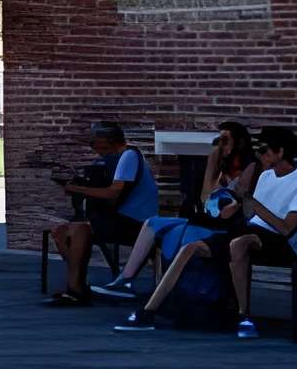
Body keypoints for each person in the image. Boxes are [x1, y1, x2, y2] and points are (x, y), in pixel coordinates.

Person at [113, 125, 297, 340]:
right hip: (251, 231)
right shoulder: (267, 177)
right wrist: (234, 205)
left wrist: (250, 201)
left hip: (282, 242)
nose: (259, 154)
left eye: (265, 150)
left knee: (238, 243)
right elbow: (250, 213)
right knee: (190, 248)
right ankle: (149, 311)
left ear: (281, 152)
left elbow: (286, 228)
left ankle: (244, 316)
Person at [94, 122, 257, 300]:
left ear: (239, 143)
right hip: (208, 219)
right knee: (152, 223)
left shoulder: (251, 166)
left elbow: (238, 197)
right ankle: (126, 279)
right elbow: (206, 200)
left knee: (179, 232)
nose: (220, 145)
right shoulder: (220, 168)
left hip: (227, 226)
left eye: (225, 140)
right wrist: (212, 165)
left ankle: (166, 291)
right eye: (219, 140)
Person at [43, 119, 158, 305]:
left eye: (95, 140)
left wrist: (76, 189)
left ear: (107, 140)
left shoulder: (129, 156)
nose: (92, 144)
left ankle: (76, 289)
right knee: (61, 232)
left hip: (138, 223)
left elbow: (113, 193)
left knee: (80, 230)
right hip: (123, 219)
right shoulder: (114, 159)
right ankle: (77, 284)